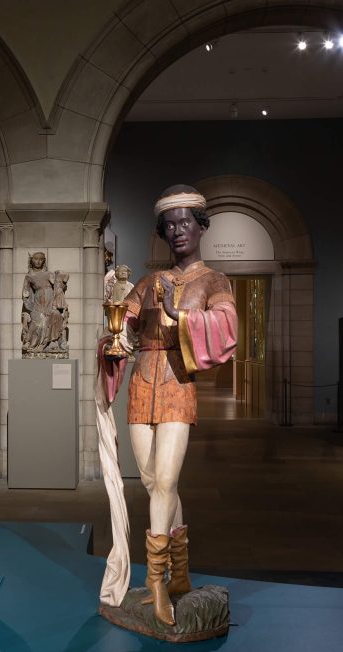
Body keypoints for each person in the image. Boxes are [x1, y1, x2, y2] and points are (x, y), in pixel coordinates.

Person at [98, 184, 238, 625]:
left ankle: (156, 581)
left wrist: (183, 317)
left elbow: (228, 327)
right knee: (151, 479)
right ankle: (180, 573)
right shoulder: (147, 281)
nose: (178, 231)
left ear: (200, 228)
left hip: (178, 384)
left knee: (165, 483)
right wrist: (116, 341)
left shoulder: (214, 281)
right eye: (170, 225)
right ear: (163, 231)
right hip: (143, 383)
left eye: (185, 223)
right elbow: (125, 328)